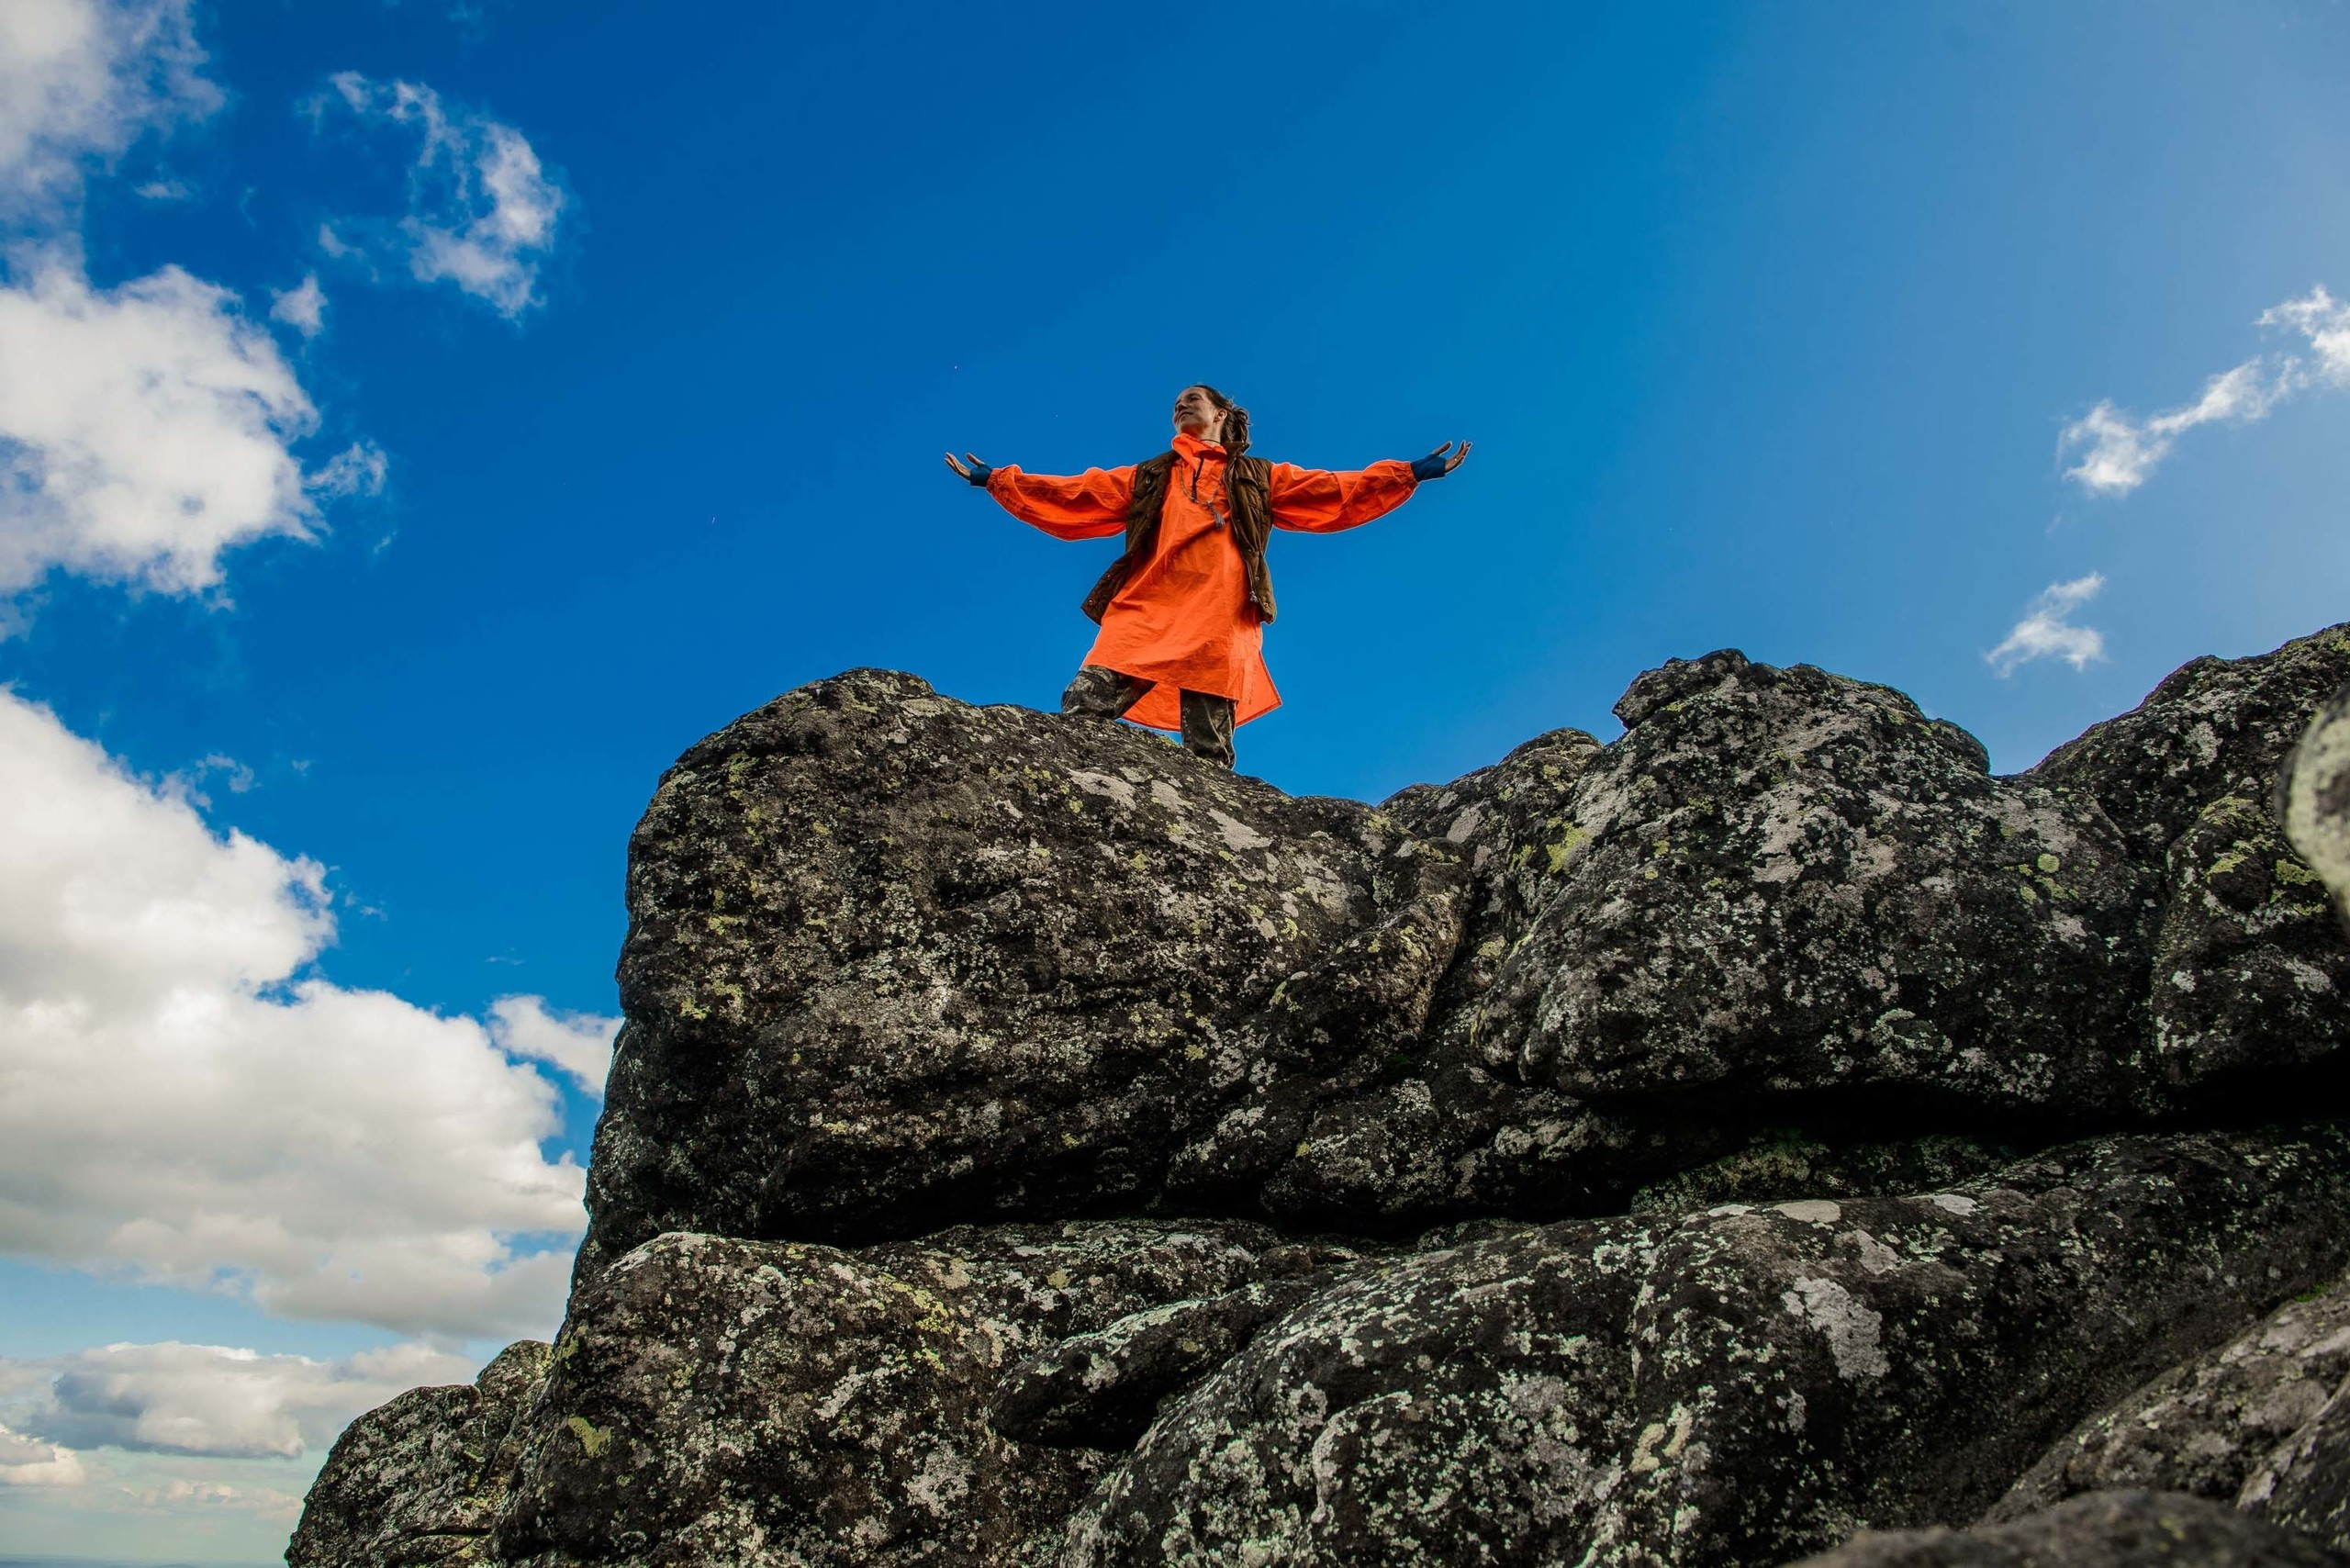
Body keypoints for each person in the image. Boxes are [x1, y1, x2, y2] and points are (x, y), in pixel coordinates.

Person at [945, 384, 1469, 768]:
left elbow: (1333, 489)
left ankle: (1209, 831)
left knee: (1207, 753)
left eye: (1192, 398)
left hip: (1222, 610)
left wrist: (1407, 472)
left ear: (1221, 414)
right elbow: (1078, 494)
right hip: (1147, 604)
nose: (1180, 405)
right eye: (1175, 403)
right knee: (1083, 707)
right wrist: (1000, 480)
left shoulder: (1258, 475)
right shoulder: (1152, 474)